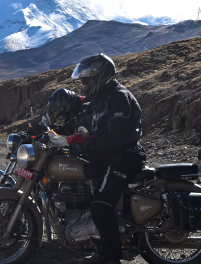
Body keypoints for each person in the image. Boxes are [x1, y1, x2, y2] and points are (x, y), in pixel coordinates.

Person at [48, 53, 146, 264]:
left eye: (86, 80)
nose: (83, 84)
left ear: (100, 76)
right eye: (82, 80)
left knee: (100, 205)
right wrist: (54, 132)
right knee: (91, 199)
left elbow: (116, 139)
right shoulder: (100, 98)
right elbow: (80, 123)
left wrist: (85, 147)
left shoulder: (120, 97)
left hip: (123, 158)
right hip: (107, 158)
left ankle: (111, 258)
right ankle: (101, 250)